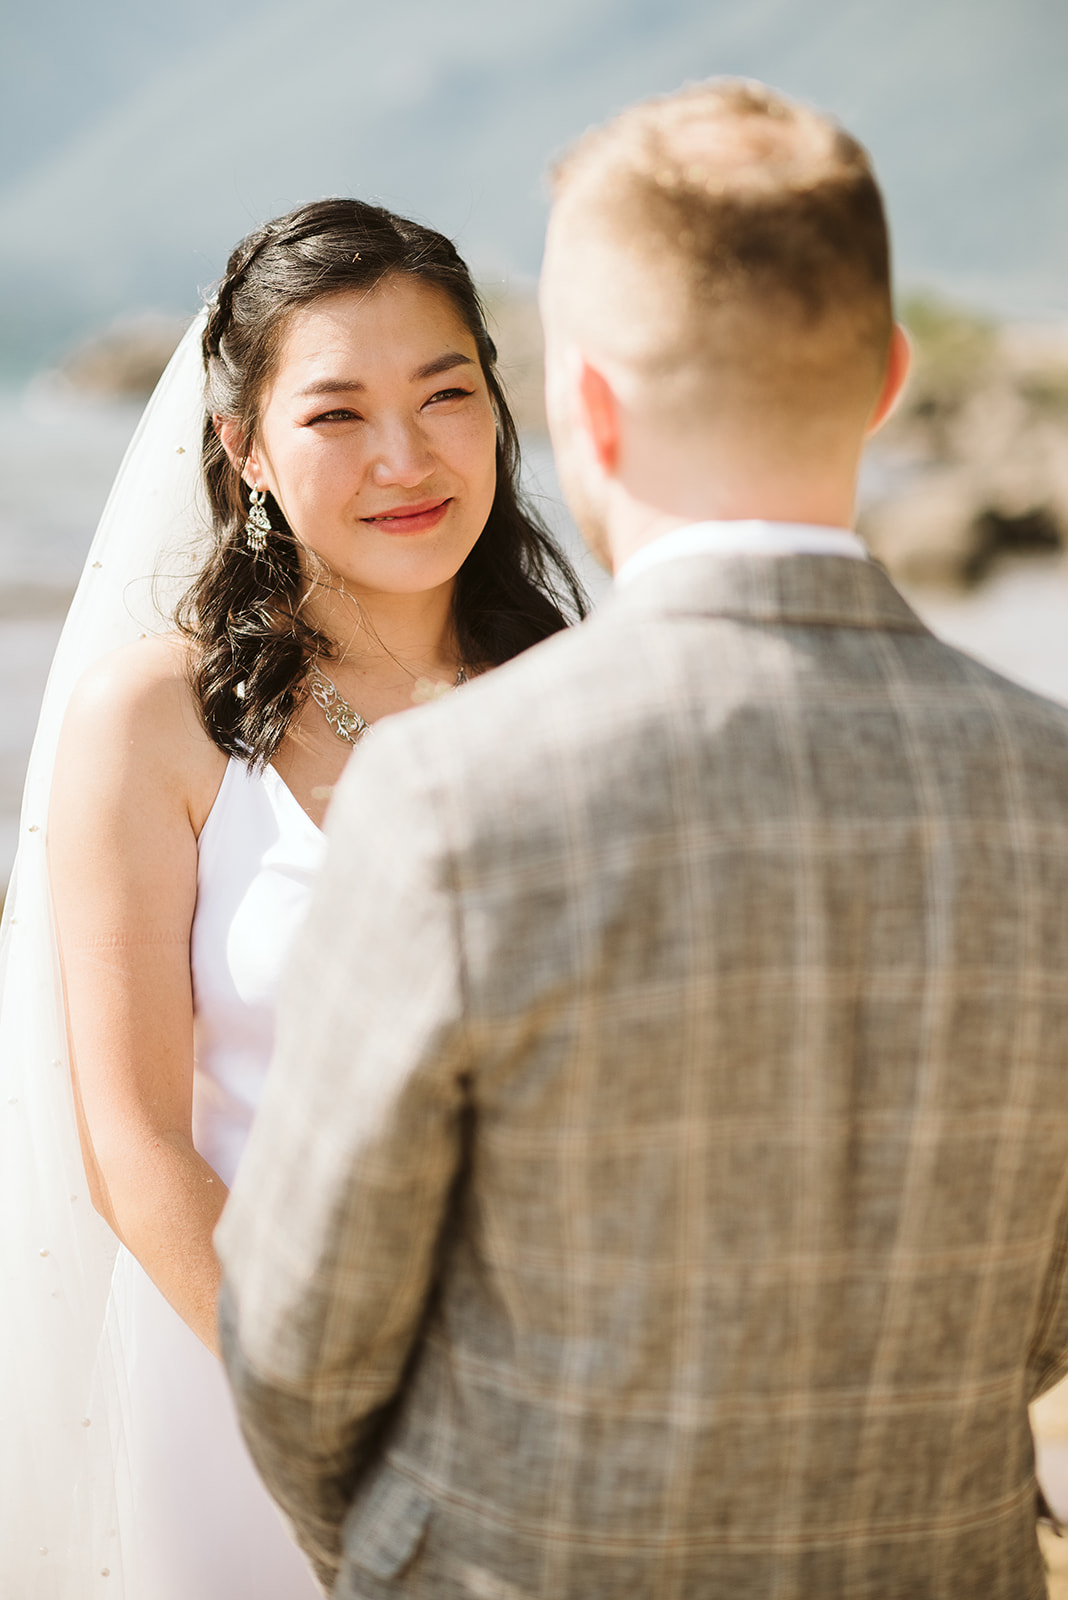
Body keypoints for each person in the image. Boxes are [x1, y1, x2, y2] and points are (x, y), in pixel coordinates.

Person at [217, 80, 1068, 1600]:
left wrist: (407, 1559)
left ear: (586, 405)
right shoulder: (1052, 785)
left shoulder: (452, 797)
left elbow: (298, 1337)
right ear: (886, 378)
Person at [0, 198, 584, 1599]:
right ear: (244, 448)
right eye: (336, 415)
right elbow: (134, 1140)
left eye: (447, 395)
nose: (406, 456)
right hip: (250, 1398)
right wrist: (339, 1418)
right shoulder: (155, 721)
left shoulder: (579, 701)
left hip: (548, 1405)